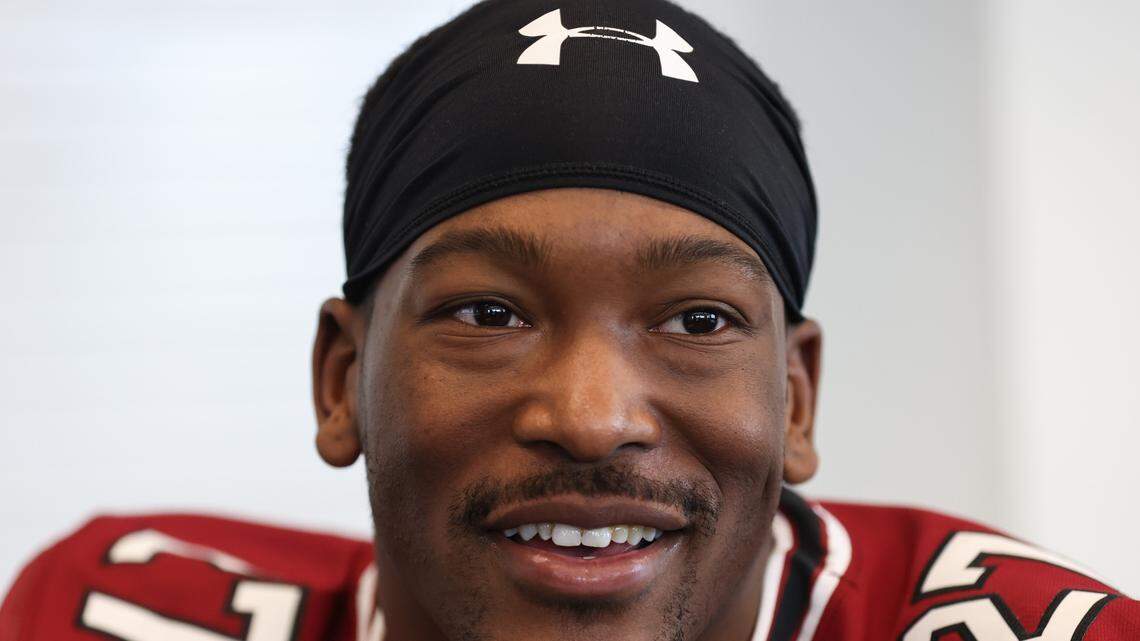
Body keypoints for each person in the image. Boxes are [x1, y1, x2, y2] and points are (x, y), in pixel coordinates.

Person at [1, 0, 1136, 639]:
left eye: (695, 319)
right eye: (488, 310)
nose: (591, 417)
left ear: (794, 397)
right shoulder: (107, 614)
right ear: (341, 377)